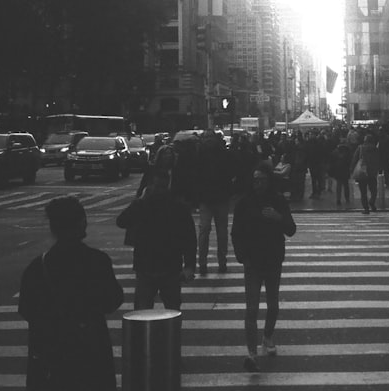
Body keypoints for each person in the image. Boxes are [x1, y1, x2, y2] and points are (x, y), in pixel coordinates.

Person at [19, 196, 124, 391]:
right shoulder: (97, 261)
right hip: (90, 350)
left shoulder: (36, 268)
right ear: (82, 223)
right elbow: (113, 301)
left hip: (52, 353)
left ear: (53, 228)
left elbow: (26, 309)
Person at [231, 160, 297, 372]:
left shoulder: (277, 201)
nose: (258, 184)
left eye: (262, 180)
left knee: (273, 305)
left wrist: (278, 218)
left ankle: (267, 336)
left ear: (269, 181)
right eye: (255, 180)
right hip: (252, 260)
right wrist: (242, 256)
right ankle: (251, 352)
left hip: (273, 258)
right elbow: (236, 232)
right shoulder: (244, 202)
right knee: (251, 308)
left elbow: (291, 229)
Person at [117, 167, 196, 310]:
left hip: (151, 264)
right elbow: (189, 239)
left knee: (145, 309)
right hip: (165, 263)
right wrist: (189, 265)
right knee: (170, 308)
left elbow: (122, 221)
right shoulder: (177, 207)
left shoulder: (144, 205)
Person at [194, 129, 234, 275]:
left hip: (220, 197)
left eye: (210, 137)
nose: (208, 140)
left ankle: (221, 261)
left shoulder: (223, 153)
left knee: (220, 231)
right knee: (205, 230)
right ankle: (203, 263)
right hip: (206, 198)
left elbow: (230, 172)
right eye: (206, 137)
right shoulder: (199, 154)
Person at [351, 133, 383, 214]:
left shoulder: (360, 148)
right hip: (372, 172)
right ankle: (372, 201)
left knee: (363, 192)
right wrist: (379, 169)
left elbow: (355, 159)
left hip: (362, 172)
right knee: (373, 190)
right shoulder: (375, 149)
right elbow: (379, 159)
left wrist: (352, 169)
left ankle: (366, 208)